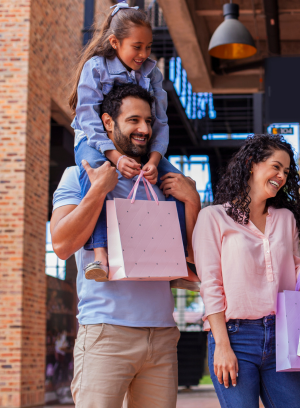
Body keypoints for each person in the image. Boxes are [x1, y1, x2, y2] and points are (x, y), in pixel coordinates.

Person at [50, 84, 201, 408]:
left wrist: (193, 202)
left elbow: (192, 258)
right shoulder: (78, 176)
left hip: (161, 335)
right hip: (106, 335)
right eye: (134, 120)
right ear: (107, 122)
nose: (144, 129)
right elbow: (61, 244)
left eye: (148, 121)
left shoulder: (162, 181)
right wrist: (98, 191)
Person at [192, 134, 300, 407]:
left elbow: (294, 278)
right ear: (251, 164)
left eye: (286, 171)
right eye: (275, 166)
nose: (281, 175)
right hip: (235, 337)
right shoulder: (213, 218)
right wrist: (222, 345)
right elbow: (210, 285)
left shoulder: (285, 219)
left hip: (280, 337)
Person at [69, 1, 185, 280]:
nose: (144, 54)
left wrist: (155, 160)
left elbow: (159, 121)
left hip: (137, 143)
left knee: (180, 185)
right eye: (137, 47)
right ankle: (100, 254)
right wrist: (116, 158)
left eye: (148, 46)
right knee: (96, 177)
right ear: (114, 42)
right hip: (94, 138)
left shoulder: (151, 72)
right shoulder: (96, 67)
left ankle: (183, 258)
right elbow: (88, 117)